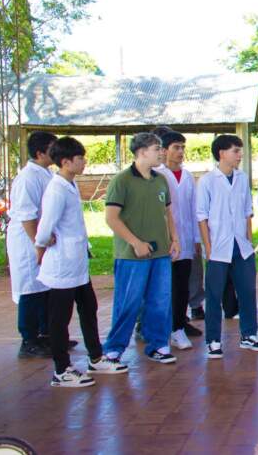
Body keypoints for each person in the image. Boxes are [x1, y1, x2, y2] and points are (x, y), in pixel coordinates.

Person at [36, 138, 128, 388]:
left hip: (77, 263)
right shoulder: (56, 189)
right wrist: (42, 244)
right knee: (60, 318)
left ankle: (96, 357)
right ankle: (61, 369)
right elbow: (45, 228)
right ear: (66, 162)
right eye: (80, 158)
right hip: (62, 265)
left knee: (89, 308)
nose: (84, 162)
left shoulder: (70, 184)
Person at [103, 132, 180, 364]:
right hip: (131, 256)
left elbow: (168, 213)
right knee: (128, 302)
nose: (162, 152)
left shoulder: (160, 180)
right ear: (142, 151)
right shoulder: (122, 180)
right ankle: (114, 348)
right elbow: (111, 218)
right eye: (157, 148)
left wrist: (174, 239)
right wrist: (135, 242)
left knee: (160, 301)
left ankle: (158, 345)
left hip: (160, 254)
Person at [197, 135, 258, 358]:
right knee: (214, 295)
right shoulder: (207, 181)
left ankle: (249, 335)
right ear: (221, 153)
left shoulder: (242, 178)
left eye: (240, 150)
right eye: (236, 150)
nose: (240, 155)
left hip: (242, 247)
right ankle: (213, 340)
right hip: (218, 248)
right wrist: (208, 249)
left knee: (247, 292)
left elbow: (248, 212)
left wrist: (248, 241)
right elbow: (202, 217)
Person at [8, 131, 58, 358]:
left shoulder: (46, 174)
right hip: (29, 242)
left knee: (46, 288)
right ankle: (29, 339)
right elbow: (27, 215)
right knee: (30, 289)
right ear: (40, 153)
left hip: (44, 241)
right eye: (52, 148)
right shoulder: (28, 178)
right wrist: (38, 243)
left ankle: (47, 335)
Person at [157, 131, 203, 350]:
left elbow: (194, 210)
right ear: (164, 150)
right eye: (176, 147)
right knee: (162, 287)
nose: (181, 152)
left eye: (183, 147)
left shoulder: (188, 176)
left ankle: (178, 327)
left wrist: (196, 239)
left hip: (184, 241)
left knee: (181, 285)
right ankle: (158, 330)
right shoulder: (157, 175)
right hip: (164, 241)